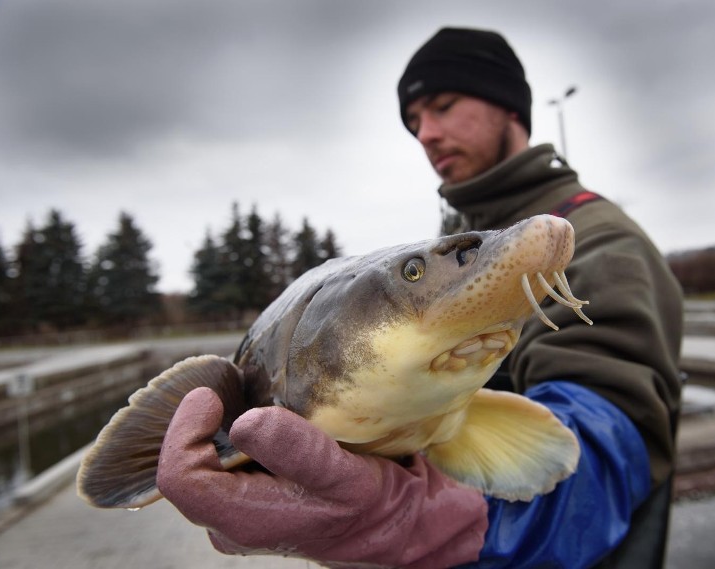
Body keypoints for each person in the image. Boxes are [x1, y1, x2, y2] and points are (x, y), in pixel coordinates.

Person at [156, 27, 684, 568]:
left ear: (509, 107)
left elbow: (611, 448)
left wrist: (425, 521)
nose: (427, 133)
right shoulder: (463, 233)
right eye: (414, 122)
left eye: (444, 105)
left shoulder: (601, 241)